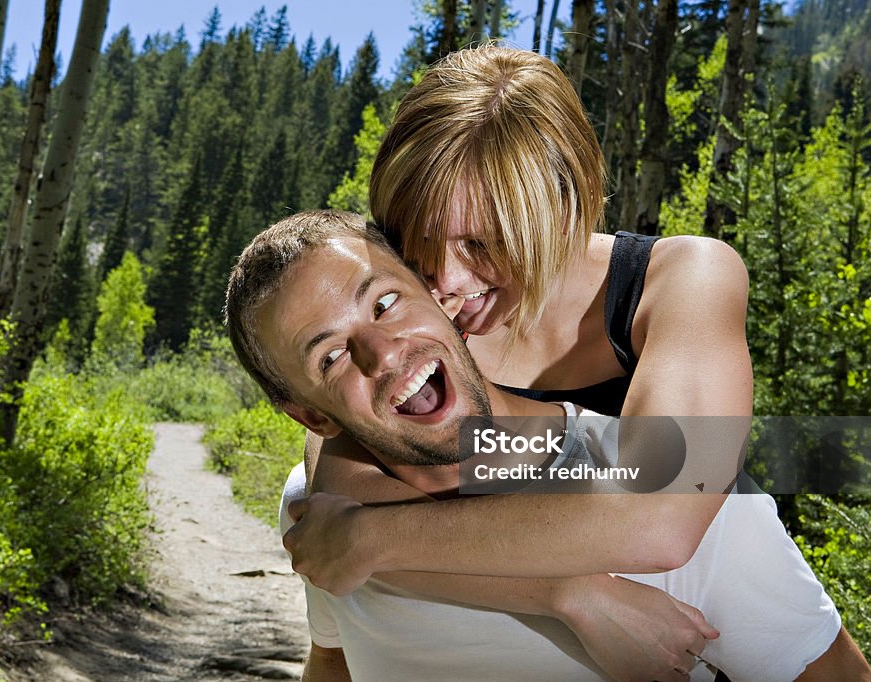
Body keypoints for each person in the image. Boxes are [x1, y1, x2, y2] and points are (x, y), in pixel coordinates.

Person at [223, 210, 870, 681]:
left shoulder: (692, 503)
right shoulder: (319, 514)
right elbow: (332, 662)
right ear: (311, 413)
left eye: (387, 302)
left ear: (443, 296)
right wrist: (566, 592)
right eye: (332, 354)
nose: (382, 351)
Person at [295, 45, 747, 603]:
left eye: (481, 243)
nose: (444, 280)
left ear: (564, 205)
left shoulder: (681, 280)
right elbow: (331, 500)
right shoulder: (416, 306)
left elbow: (663, 517)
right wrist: (566, 595)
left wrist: (371, 540)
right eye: (419, 239)